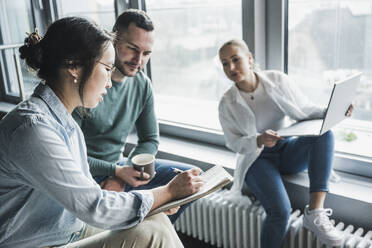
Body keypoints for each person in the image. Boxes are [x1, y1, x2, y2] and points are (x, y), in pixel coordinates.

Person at [0, 17, 202, 248]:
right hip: (38, 242)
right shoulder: (32, 129)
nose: (109, 82)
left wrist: (156, 200)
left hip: (68, 228)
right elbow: (94, 206)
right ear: (74, 66)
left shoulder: (63, 121)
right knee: (152, 234)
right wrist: (165, 193)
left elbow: (147, 140)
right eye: (106, 69)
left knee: (156, 220)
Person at [218, 39, 353, 248]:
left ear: (250, 58)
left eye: (236, 59)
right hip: (257, 160)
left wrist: (335, 111)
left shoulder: (277, 80)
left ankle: (315, 211)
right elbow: (233, 143)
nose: (231, 67)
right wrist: (259, 139)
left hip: (287, 150)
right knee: (279, 212)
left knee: (325, 133)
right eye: (225, 63)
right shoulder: (227, 104)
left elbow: (306, 110)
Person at [72, 9, 198, 223]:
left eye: (147, 53)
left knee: (190, 180)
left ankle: (144, 232)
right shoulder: (87, 83)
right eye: (132, 49)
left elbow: (150, 139)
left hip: (120, 167)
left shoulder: (142, 85)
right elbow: (72, 156)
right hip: (85, 173)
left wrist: (124, 172)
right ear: (113, 40)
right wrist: (117, 172)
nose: (139, 60)